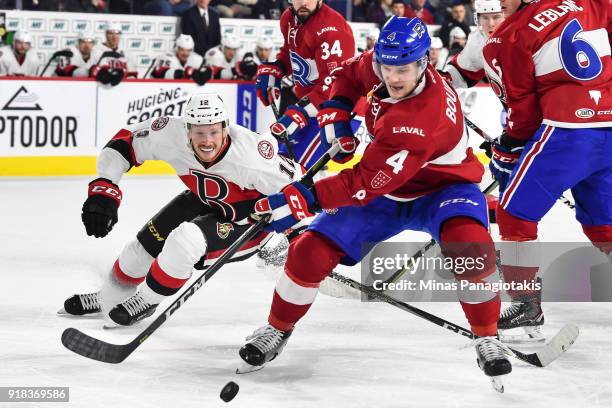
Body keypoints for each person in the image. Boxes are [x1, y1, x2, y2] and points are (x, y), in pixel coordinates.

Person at [239, 17, 512, 390]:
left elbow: (363, 183)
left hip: (444, 190)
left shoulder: (419, 119)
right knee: (307, 252)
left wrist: (307, 197)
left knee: (472, 249)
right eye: (387, 67)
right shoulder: (384, 62)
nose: (393, 77)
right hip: (386, 189)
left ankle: (486, 335)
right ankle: (276, 328)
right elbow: (349, 75)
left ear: (424, 63)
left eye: (403, 70)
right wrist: (336, 113)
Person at [59, 93, 304, 327]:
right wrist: (105, 188)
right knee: (141, 247)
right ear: (186, 130)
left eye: (213, 131)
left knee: (185, 241)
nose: (207, 141)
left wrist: (297, 235)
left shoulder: (252, 156)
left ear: (225, 128)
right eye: (199, 132)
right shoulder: (169, 133)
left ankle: (146, 300)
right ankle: (109, 297)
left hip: (246, 221)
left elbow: (299, 191)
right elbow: (125, 143)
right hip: (203, 199)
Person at [482, 0, 611, 342]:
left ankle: (525, 303)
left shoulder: (507, 35)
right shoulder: (588, 3)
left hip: (567, 134)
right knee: (603, 222)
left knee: (513, 214)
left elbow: (522, 111)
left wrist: (509, 144)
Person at [254, 0, 356, 169]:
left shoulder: (331, 29)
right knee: (280, 162)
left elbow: (336, 84)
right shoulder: (288, 18)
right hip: (312, 105)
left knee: (295, 169)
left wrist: (300, 111)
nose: (303, 2)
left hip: (339, 109)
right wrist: (278, 68)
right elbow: (289, 51)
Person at [443, 0, 504, 88]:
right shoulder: (478, 41)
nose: (491, 24)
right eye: (485, 18)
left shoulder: (522, 35)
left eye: (496, 17)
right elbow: (459, 73)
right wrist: (439, 81)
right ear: (478, 19)